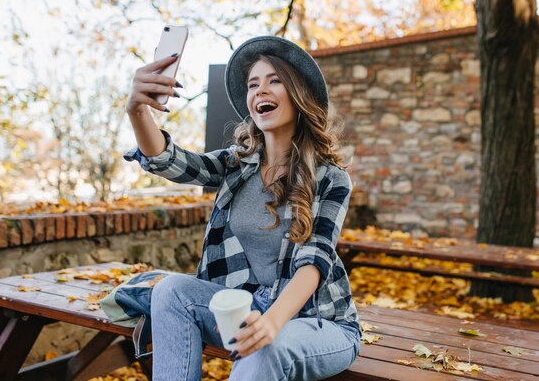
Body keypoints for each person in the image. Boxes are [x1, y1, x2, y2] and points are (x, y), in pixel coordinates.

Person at [123, 36, 361, 381]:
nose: (260, 90)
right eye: (253, 84)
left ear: (298, 95)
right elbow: (170, 161)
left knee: (269, 346)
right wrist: (137, 111)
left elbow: (315, 259)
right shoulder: (237, 164)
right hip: (250, 308)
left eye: (274, 80)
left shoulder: (331, 177)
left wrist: (272, 322)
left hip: (319, 322)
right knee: (172, 290)